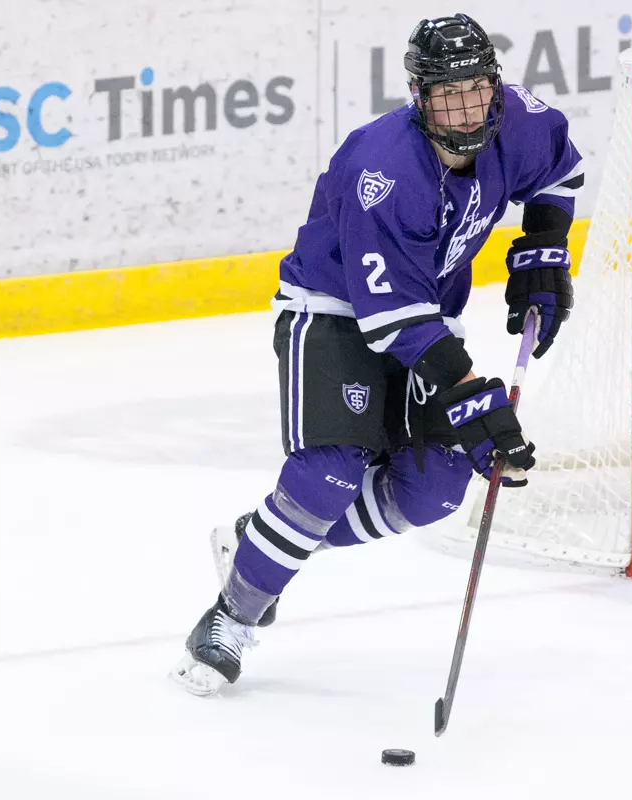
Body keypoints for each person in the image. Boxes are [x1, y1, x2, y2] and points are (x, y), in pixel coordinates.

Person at [172, 13, 583, 695]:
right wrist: (471, 393)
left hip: (423, 319)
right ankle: (231, 617)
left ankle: (261, 542)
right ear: (420, 99)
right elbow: (391, 317)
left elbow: (561, 174)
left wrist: (543, 251)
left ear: (495, 87)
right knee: (329, 472)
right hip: (335, 310)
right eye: (447, 94)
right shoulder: (383, 172)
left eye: (476, 89)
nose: (465, 108)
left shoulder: (523, 123)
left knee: (434, 488)